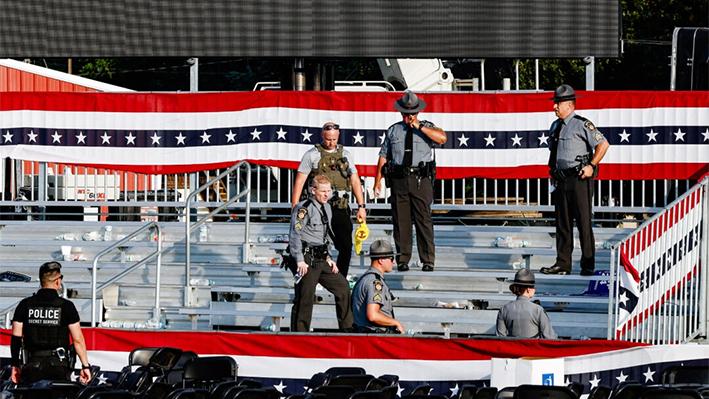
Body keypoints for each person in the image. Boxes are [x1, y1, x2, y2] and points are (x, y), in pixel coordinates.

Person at [373, 91, 447, 272]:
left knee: (423, 220)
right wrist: (377, 181)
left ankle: (427, 260)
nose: (409, 117)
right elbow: (384, 156)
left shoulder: (427, 127)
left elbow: (442, 138)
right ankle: (402, 259)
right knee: (401, 221)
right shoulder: (393, 130)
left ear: (418, 113)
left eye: (412, 113)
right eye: (406, 114)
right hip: (399, 179)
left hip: (421, 180)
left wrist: (419, 127)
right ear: (401, 113)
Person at [542, 84, 610, 276]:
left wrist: (592, 165)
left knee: (583, 222)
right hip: (561, 179)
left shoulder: (582, 124)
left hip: (579, 178)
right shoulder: (555, 126)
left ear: (569, 106)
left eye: (558, 104)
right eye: (555, 103)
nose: (555, 107)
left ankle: (587, 265)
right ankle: (563, 263)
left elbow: (603, 144)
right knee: (562, 223)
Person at [292, 122, 367, 278]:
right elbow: (300, 181)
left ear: (338, 136)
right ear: (322, 136)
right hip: (317, 209)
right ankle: (316, 277)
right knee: (316, 245)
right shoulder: (311, 155)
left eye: (334, 139)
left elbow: (354, 180)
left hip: (340, 206)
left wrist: (361, 206)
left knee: (345, 247)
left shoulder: (346, 155)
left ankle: (339, 279)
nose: (331, 142)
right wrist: (295, 207)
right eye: (328, 139)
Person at [289, 175, 354, 332]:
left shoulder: (327, 207)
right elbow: (295, 235)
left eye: (329, 191)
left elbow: (326, 235)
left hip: (321, 258)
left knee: (343, 288)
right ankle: (299, 335)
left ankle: (347, 330)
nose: (327, 194)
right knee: (305, 298)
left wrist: (329, 257)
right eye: (323, 191)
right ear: (313, 191)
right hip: (306, 258)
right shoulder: (303, 208)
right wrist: (299, 260)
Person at [11, 261, 91, 385]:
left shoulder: (25, 305)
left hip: (32, 366)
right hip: (58, 367)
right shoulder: (66, 306)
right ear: (58, 281)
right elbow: (78, 339)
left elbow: (16, 338)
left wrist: (15, 364)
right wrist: (85, 366)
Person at [351, 240, 404, 334]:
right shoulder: (375, 282)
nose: (394, 262)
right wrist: (395, 322)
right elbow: (373, 315)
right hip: (375, 335)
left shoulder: (364, 278)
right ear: (381, 260)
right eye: (391, 258)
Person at [496, 269, 557, 339]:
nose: (535, 290)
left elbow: (500, 338)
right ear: (528, 289)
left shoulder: (504, 309)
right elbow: (550, 337)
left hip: (513, 349)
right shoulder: (538, 310)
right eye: (533, 287)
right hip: (532, 348)